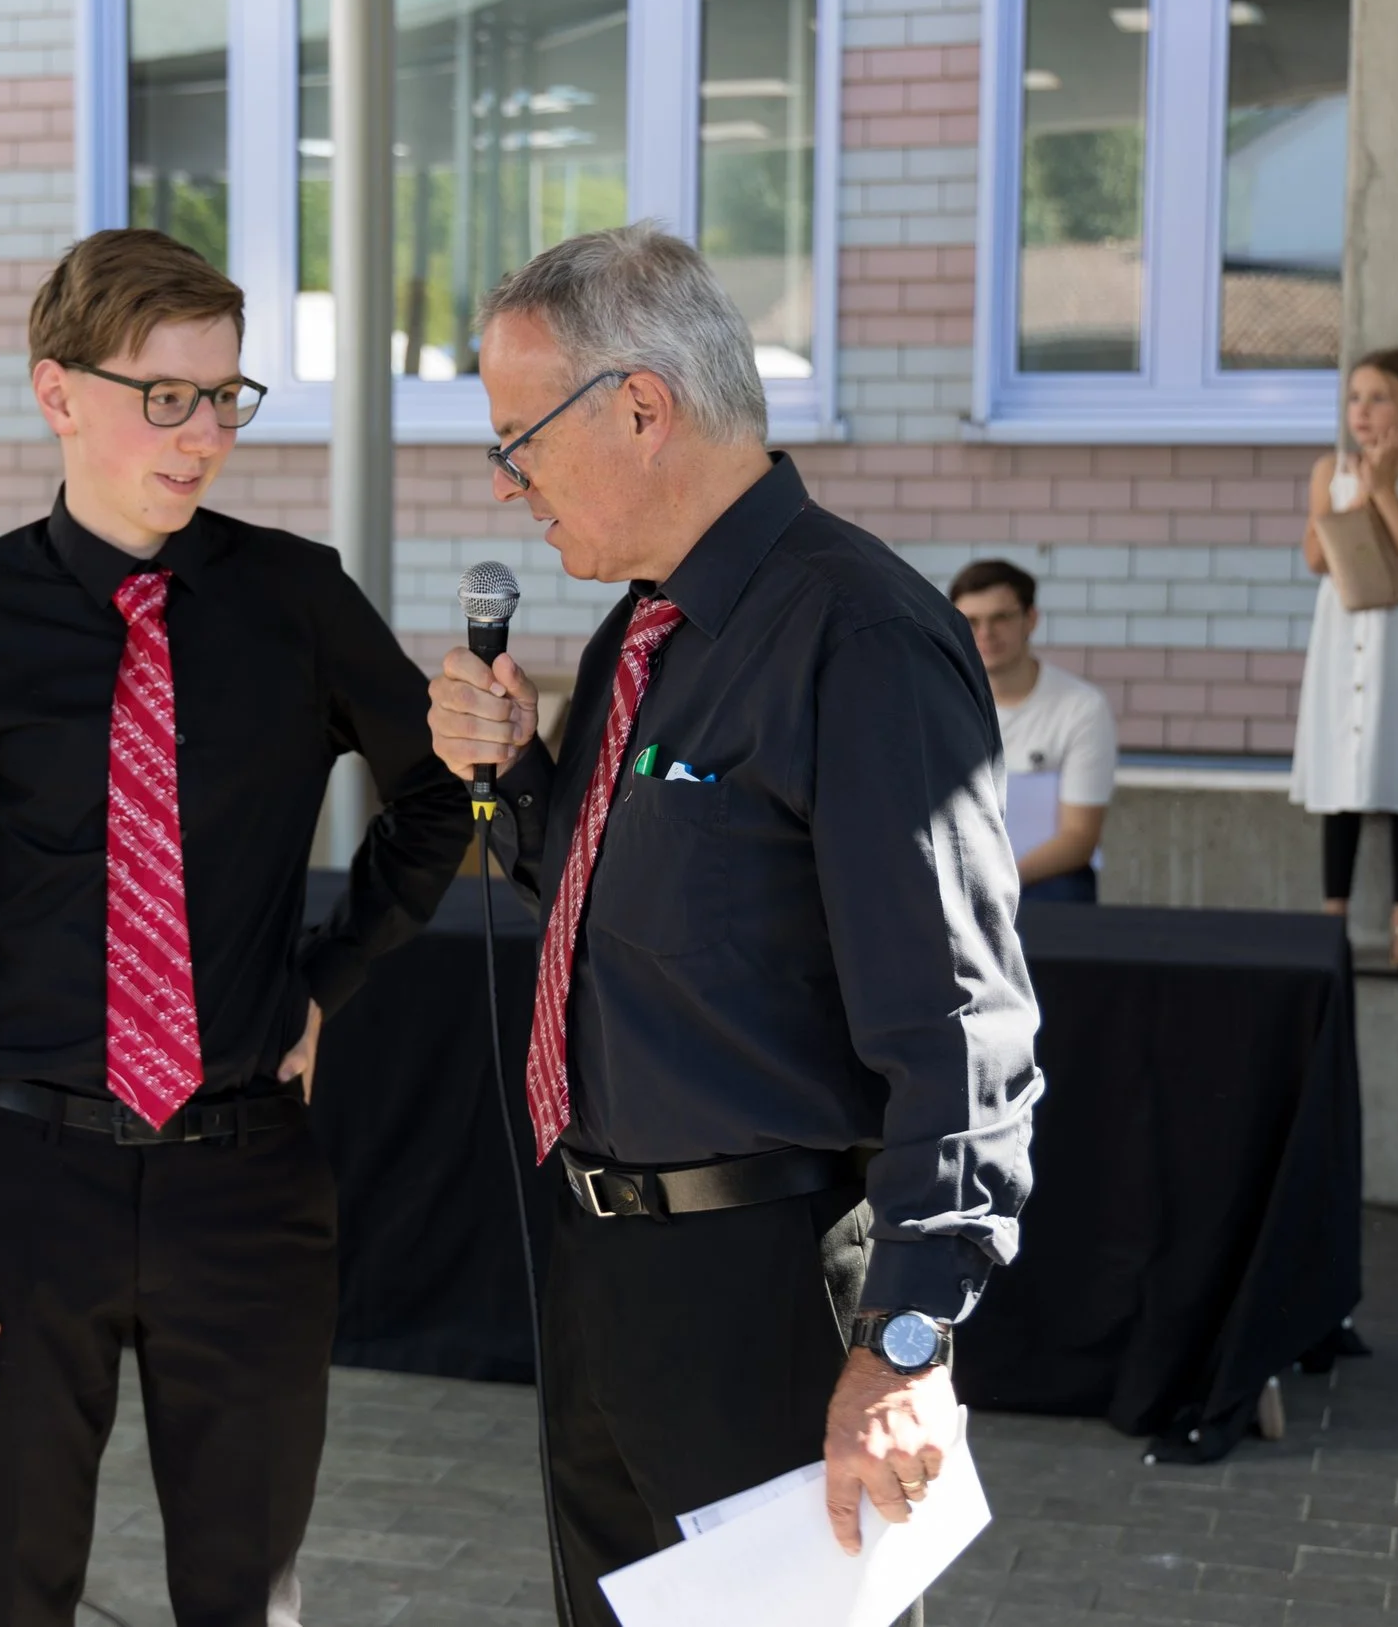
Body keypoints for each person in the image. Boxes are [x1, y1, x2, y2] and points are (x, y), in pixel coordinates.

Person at [0, 227, 468, 1627]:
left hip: (244, 1181)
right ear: (57, 393)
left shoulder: (296, 599)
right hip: (19, 1183)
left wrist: (328, 974)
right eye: (163, 396)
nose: (202, 437)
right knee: (10, 1587)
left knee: (245, 1593)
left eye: (226, 396)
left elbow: (438, 798)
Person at [424, 225, 1041, 1619]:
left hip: (771, 1290)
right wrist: (524, 775)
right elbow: (635, 904)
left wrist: (906, 1336)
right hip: (606, 1267)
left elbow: (960, 1021)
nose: (509, 480)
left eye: (517, 437)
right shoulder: (647, 628)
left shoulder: (859, 634)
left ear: (640, 406)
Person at [1293, 348, 1398, 971]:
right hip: (1344, 631)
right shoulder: (1329, 470)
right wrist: (1357, 495)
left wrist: (1385, 490)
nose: (1363, 411)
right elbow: (1316, 557)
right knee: (1341, 774)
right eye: (1354, 397)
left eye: (1379, 396)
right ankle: (1332, 920)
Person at [949, 558, 1119, 903]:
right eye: (971, 621)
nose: (985, 633)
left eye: (1001, 618)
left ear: (1031, 619)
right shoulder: (940, 703)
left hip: (1044, 881)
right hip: (961, 876)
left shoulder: (1081, 707)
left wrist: (996, 881)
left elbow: (1079, 839)